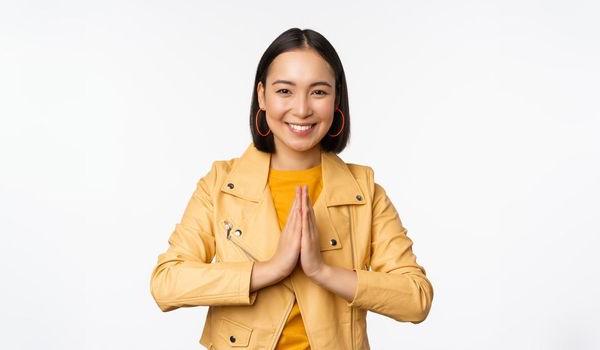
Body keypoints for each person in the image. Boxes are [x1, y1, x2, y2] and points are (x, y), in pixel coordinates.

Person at [149, 27, 433, 350]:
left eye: (318, 92)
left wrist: (322, 271)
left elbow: (416, 297)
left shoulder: (364, 193)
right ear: (262, 96)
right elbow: (166, 283)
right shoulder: (221, 185)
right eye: (285, 91)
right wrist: (269, 270)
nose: (301, 109)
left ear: (336, 98)